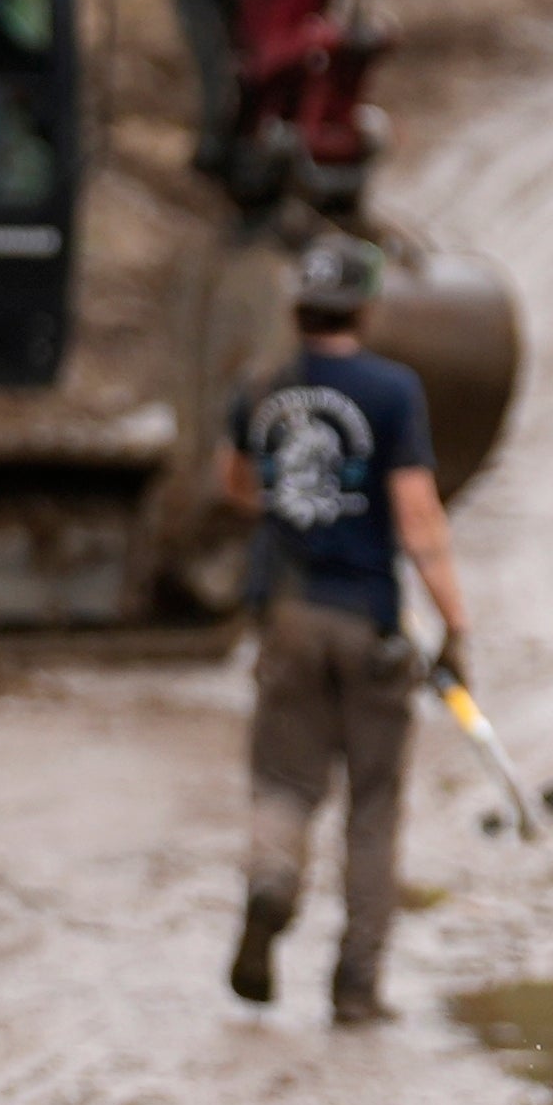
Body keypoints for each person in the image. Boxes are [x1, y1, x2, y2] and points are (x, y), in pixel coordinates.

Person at [220, 234, 470, 1020]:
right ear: (364, 306)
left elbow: (236, 486)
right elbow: (418, 517)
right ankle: (356, 985)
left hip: (288, 617)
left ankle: (269, 884)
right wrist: (455, 622)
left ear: (298, 305)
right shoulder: (391, 391)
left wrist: (299, 513)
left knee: (286, 782)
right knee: (371, 803)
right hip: (367, 621)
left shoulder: (261, 386)